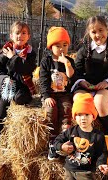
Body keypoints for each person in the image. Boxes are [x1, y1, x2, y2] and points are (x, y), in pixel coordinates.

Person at [72, 16, 108, 144]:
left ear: (107, 30)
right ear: (88, 33)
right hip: (86, 86)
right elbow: (77, 71)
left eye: (101, 30)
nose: (98, 35)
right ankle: (83, 138)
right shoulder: (83, 52)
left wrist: (107, 83)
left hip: (107, 87)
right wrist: (81, 81)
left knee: (99, 101)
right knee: (79, 101)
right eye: (93, 32)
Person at [0, 21, 37, 155]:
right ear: (11, 35)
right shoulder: (6, 51)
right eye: (17, 33)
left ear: (28, 36)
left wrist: (13, 57)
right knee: (1, 112)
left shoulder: (31, 53)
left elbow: (26, 68)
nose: (20, 36)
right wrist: (4, 79)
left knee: (22, 98)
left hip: (23, 86)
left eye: (23, 33)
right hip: (8, 85)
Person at [39, 27, 76, 160]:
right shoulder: (46, 62)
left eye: (65, 45)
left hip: (64, 94)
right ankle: (53, 143)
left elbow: (71, 76)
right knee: (51, 111)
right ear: (50, 47)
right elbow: (42, 81)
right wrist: (46, 96)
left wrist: (66, 63)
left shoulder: (69, 61)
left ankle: (65, 141)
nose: (62, 49)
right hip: (51, 95)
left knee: (67, 109)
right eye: (58, 45)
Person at [53, 93, 108, 179]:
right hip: (69, 170)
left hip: (86, 172)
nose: (83, 118)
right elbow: (57, 140)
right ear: (75, 117)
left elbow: (102, 152)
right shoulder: (71, 131)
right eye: (79, 115)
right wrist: (61, 146)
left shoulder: (98, 135)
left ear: (93, 116)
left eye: (87, 114)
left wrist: (101, 163)